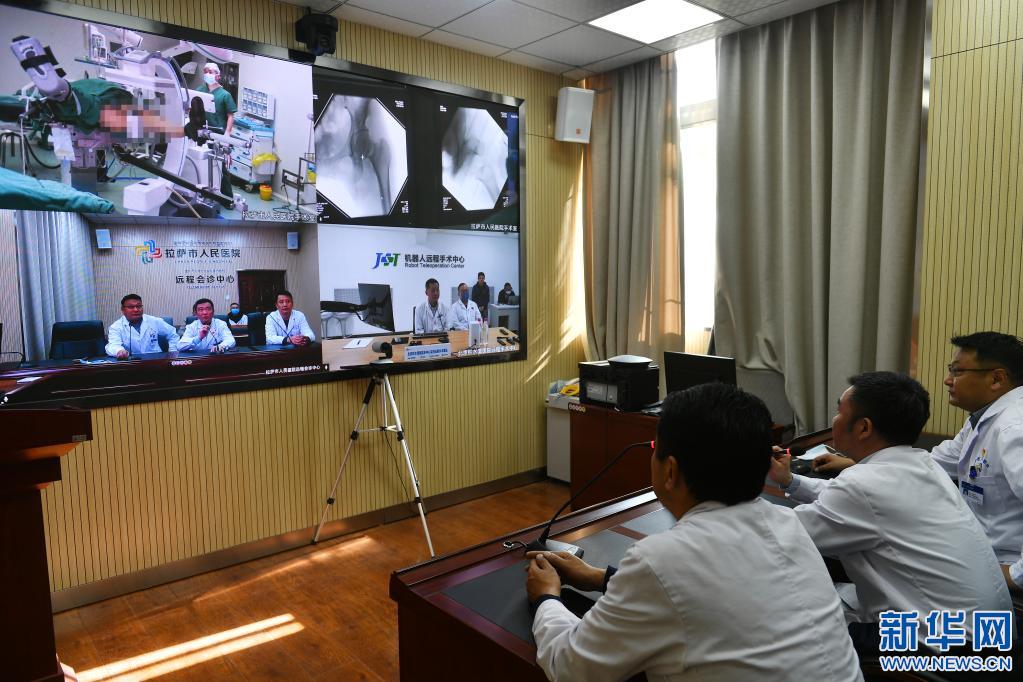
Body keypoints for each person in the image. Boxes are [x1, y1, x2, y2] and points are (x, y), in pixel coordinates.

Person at [526, 383, 861, 681]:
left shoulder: (660, 559)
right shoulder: (788, 524)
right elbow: (717, 598)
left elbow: (571, 667)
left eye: (656, 447)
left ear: (670, 470)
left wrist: (546, 597)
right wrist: (602, 578)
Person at [769, 372, 1012, 657]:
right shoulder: (921, 464)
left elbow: (781, 535)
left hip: (948, 647)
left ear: (864, 427)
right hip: (991, 632)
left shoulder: (863, 485)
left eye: (839, 411)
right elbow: (850, 500)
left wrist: (736, 484)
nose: (834, 420)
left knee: (792, 627)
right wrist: (791, 482)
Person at [813, 333, 1023, 565]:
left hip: (1005, 568)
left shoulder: (1014, 429)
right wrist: (857, 462)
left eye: (957, 371)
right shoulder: (982, 420)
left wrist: (1015, 577)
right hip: (978, 554)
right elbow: (933, 463)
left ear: (996, 379)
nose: (948, 380)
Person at [105, 294, 180, 359]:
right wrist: (119, 351)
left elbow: (173, 334)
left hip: (156, 360)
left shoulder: (154, 321)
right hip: (132, 362)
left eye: (139, 306)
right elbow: (113, 345)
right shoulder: (116, 327)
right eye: (131, 307)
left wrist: (172, 352)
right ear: (123, 309)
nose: (136, 310)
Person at [196, 62, 236, 136]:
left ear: (218, 76)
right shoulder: (199, 90)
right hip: (202, 130)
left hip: (219, 132)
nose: (207, 74)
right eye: (205, 72)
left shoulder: (225, 95)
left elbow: (230, 116)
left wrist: (227, 132)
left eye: (210, 72)